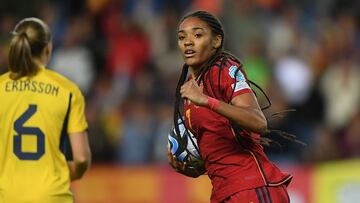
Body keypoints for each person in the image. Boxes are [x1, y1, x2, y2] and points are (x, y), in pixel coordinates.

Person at [168, 11, 292, 203]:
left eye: (198, 35)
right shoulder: (190, 90)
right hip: (224, 194)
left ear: (216, 41)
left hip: (252, 188)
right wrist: (192, 169)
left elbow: (259, 122)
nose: (188, 42)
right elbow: (218, 152)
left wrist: (207, 100)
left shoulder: (224, 69)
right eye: (182, 37)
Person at [0, 18, 91, 203]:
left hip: (8, 196)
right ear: (47, 49)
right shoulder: (68, 90)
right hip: (53, 195)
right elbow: (81, 158)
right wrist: (65, 173)